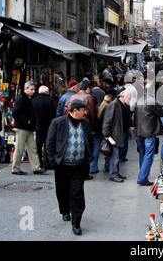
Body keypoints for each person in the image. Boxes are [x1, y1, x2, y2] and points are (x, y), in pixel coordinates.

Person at [46, 99, 94, 235]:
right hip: (62, 165)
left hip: (79, 165)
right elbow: (50, 143)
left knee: (77, 193)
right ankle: (65, 211)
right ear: (74, 111)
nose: (86, 112)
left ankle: (76, 222)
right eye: (83, 110)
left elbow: (89, 141)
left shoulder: (86, 124)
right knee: (62, 191)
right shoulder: (58, 123)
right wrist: (53, 160)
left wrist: (89, 158)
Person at [134, 79, 163, 186]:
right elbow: (162, 112)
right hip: (149, 132)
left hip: (140, 131)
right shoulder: (151, 100)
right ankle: (142, 177)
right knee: (148, 154)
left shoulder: (139, 100)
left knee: (142, 153)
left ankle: (142, 173)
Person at [12, 81, 46, 175]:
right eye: (31, 89)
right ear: (25, 89)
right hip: (23, 127)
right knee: (19, 148)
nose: (33, 91)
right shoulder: (21, 98)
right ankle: (15, 168)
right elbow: (15, 112)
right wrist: (26, 120)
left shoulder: (26, 98)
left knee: (32, 148)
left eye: (34, 89)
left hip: (28, 127)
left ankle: (36, 168)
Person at [102, 90, 131, 182]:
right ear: (123, 96)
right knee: (115, 156)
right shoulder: (114, 105)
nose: (130, 100)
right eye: (129, 98)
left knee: (117, 155)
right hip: (115, 134)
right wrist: (106, 134)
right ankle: (114, 174)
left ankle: (116, 172)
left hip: (121, 133)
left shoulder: (125, 105)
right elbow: (107, 120)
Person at [32, 85, 56, 169]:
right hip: (48, 125)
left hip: (37, 125)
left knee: (38, 144)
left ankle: (38, 162)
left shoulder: (34, 101)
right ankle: (46, 162)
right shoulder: (50, 101)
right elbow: (53, 114)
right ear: (47, 92)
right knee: (47, 144)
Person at [95, 94, 114, 173]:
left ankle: (93, 167)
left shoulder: (99, 108)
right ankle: (107, 166)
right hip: (105, 132)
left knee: (95, 150)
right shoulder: (109, 109)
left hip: (98, 131)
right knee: (108, 149)